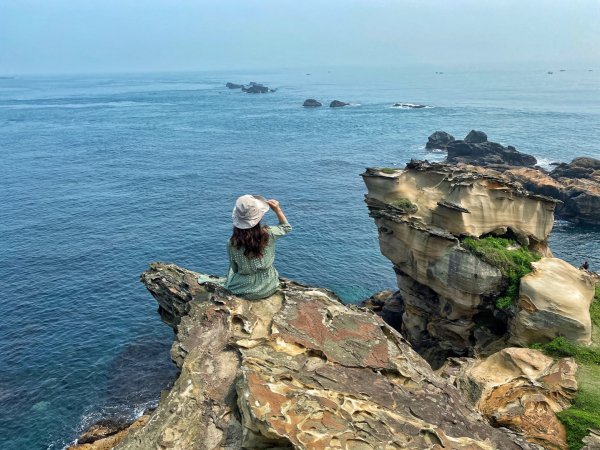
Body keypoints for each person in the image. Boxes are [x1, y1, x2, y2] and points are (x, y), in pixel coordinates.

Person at [198, 194, 292, 300]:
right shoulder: (269, 234)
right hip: (269, 286)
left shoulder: (232, 243)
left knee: (231, 272)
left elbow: (235, 268)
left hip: (243, 290)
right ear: (259, 217)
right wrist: (277, 210)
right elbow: (286, 227)